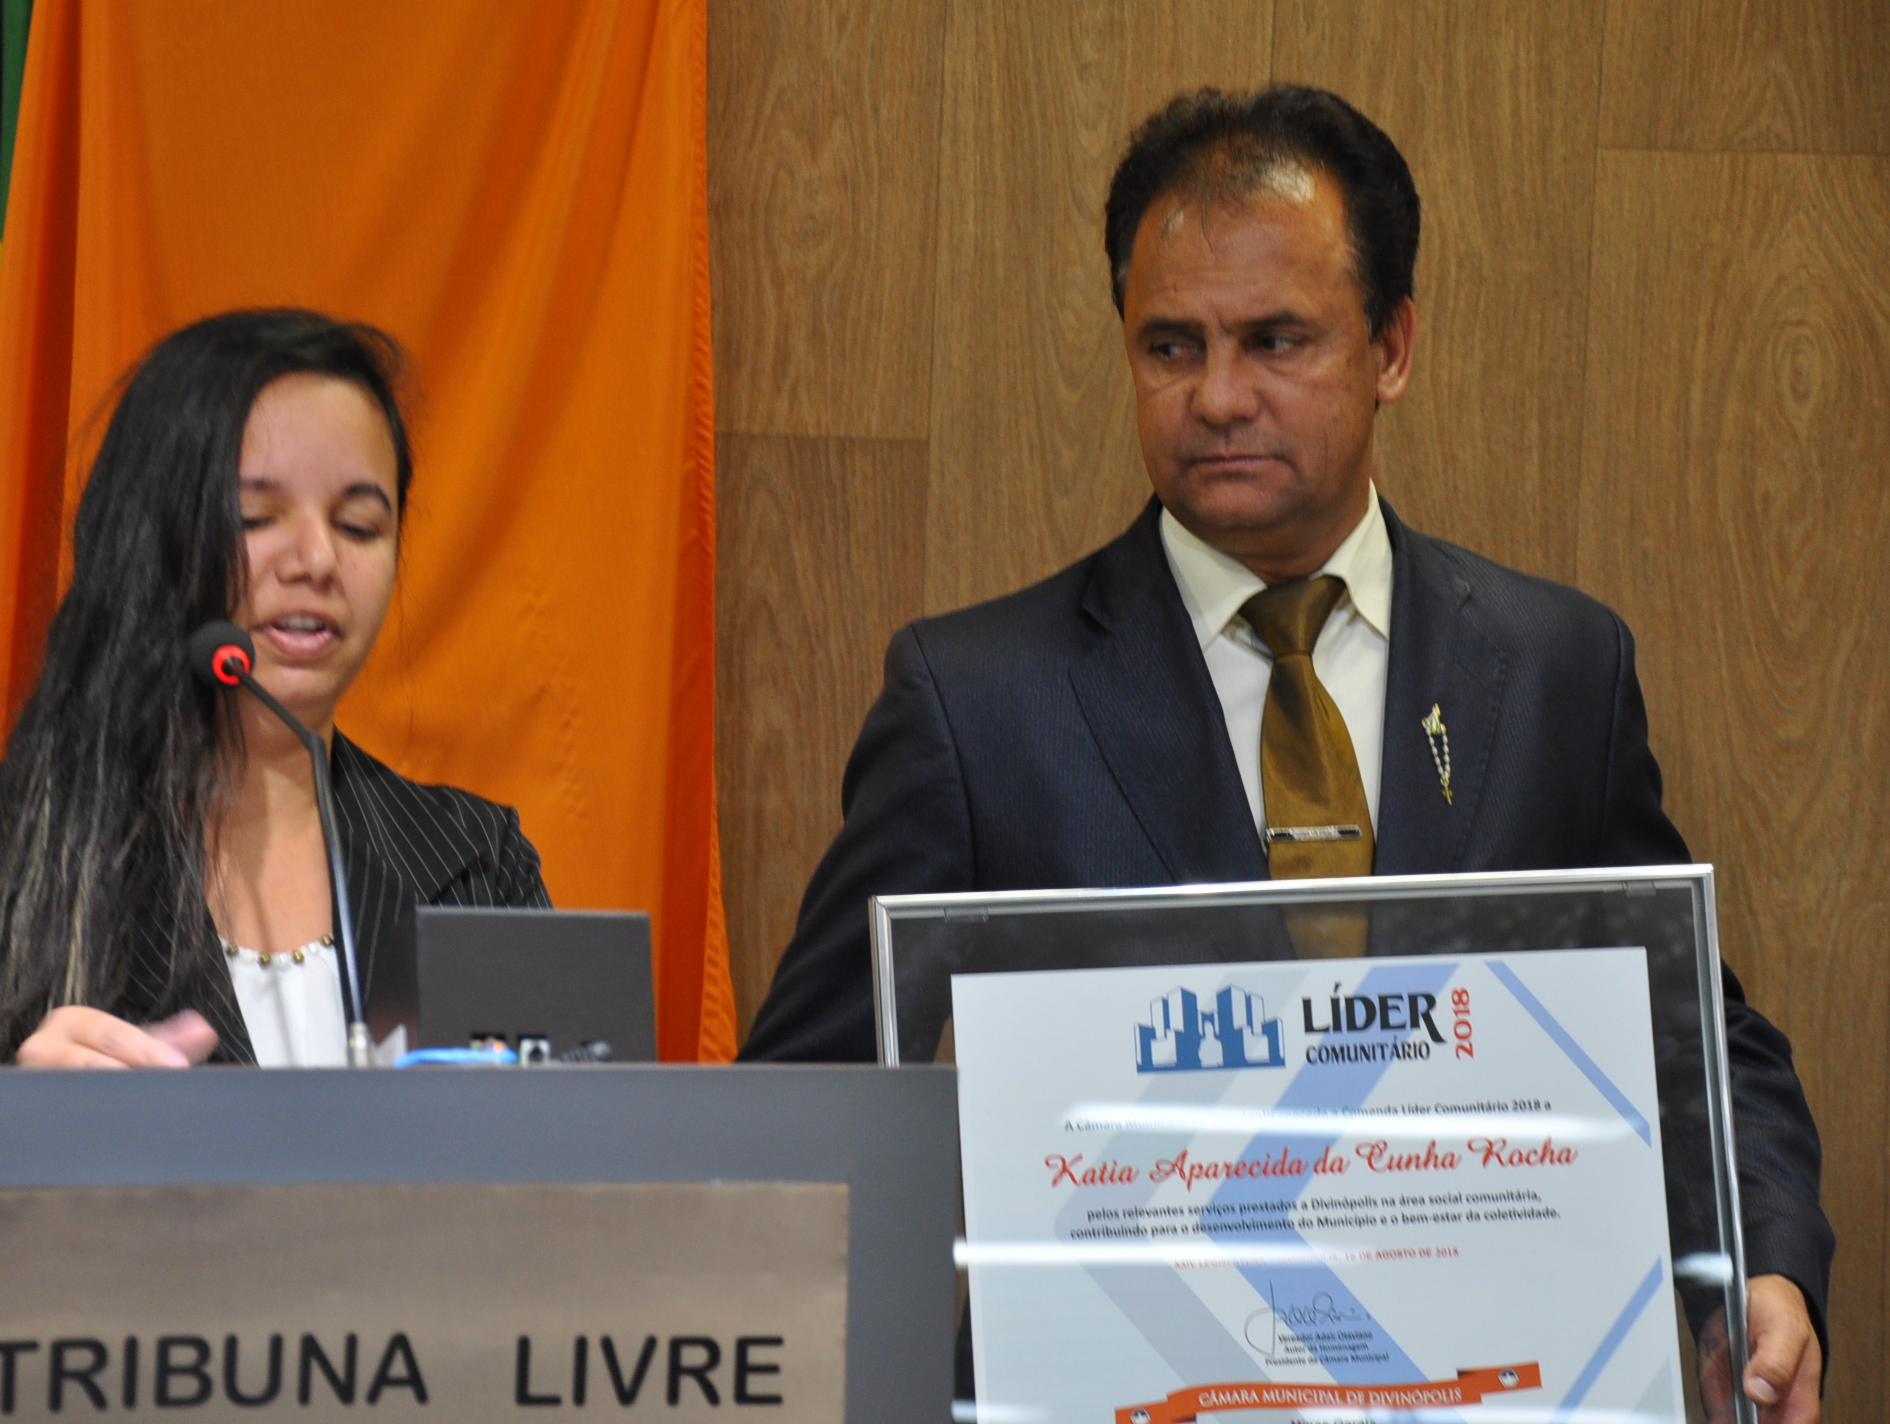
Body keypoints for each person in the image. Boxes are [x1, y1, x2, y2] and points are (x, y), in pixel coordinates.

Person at [738, 87, 1830, 1418]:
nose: (1217, 397)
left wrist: (1761, 1266)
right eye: (1170, 346)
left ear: (1391, 348)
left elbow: (1692, 1034)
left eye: (1275, 340)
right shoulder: (977, 703)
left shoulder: (1556, 668)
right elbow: (802, 1117)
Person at [0, 309, 546, 1096]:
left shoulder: (475, 865)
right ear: (148, 538)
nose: (317, 559)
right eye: (254, 517)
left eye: (359, 524)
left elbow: (573, 1147)